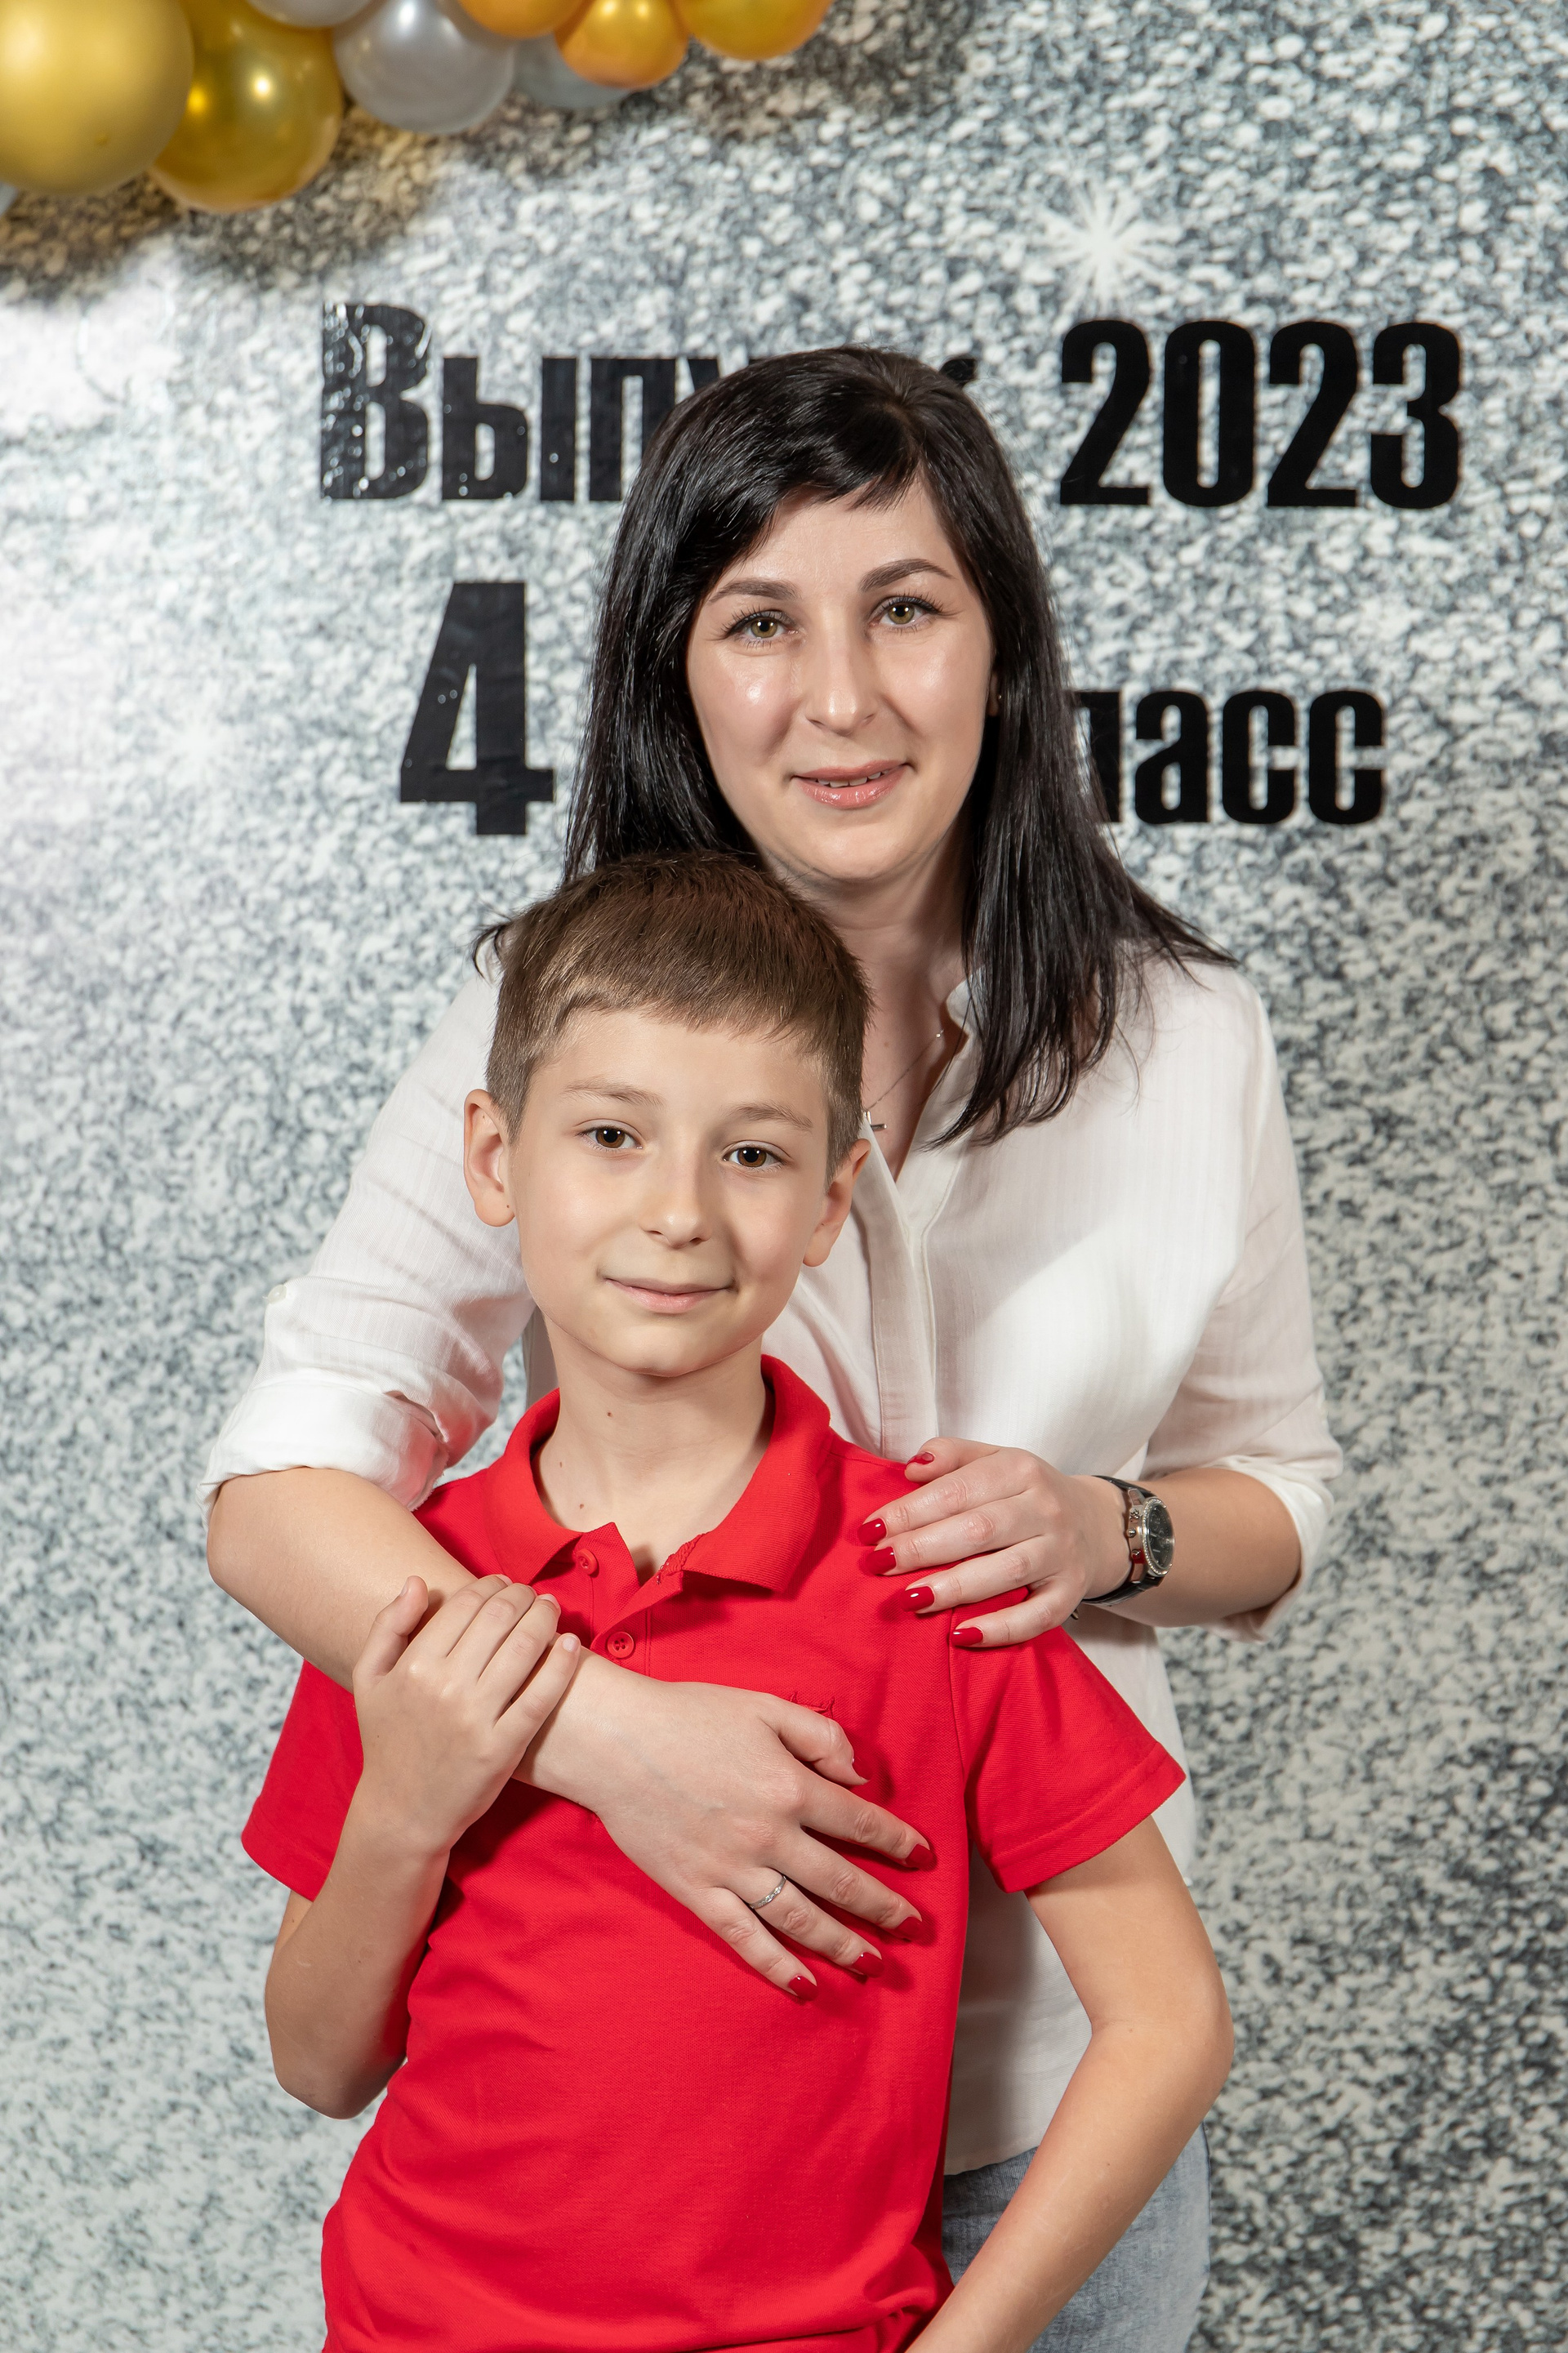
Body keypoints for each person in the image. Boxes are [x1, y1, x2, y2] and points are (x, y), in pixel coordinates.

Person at [207, 347, 1339, 2349]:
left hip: (1048, 2088)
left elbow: (1280, 1492)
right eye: (758, 622)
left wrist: (1108, 1528)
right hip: (639, 2121)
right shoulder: (555, 1012)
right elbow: (286, 1480)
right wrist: (610, 1737)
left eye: (906, 609)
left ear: (1003, 647)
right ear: (676, 664)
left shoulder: (1188, 1034)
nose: (841, 698)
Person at [245, 852, 1232, 2353]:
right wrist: (405, 1812)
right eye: (612, 1135)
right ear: (495, 1157)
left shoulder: (929, 1574)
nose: (678, 1212)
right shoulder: (418, 1584)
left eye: (753, 1153)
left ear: (834, 1198)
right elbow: (320, 2062)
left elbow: (1169, 2021)